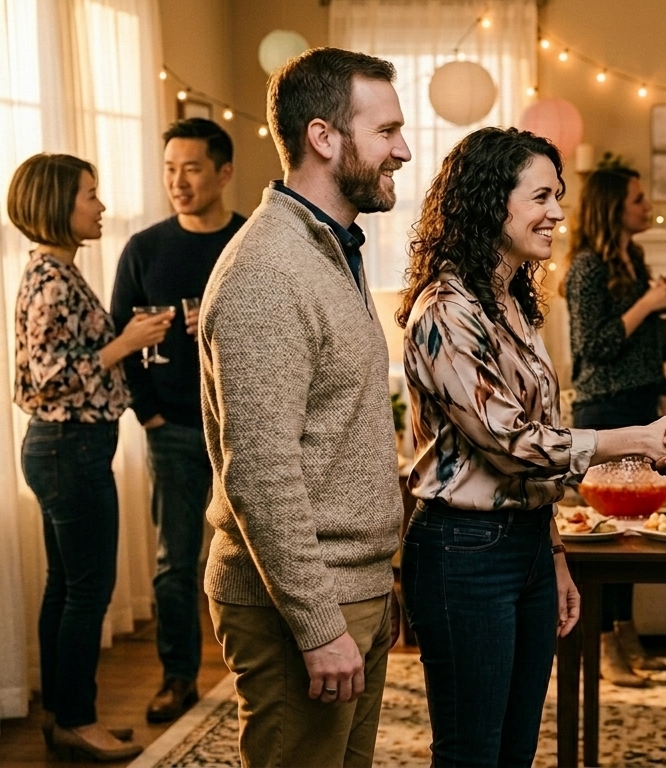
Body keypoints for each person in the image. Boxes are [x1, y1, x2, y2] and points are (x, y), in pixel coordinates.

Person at [397, 126, 666, 767]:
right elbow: (510, 443)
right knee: (471, 753)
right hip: (464, 553)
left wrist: (555, 552)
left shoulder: (512, 302)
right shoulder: (446, 310)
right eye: (541, 196)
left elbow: (537, 452)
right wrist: (636, 439)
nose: (558, 212)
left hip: (528, 546)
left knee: (515, 750)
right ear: (491, 202)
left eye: (559, 196)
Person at [199, 48, 410, 767]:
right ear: (324, 137)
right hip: (301, 603)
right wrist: (319, 625)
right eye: (387, 132)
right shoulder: (268, 270)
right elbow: (259, 471)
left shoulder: (328, 251)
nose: (403, 150)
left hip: (352, 586)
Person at [10, 153, 173, 762]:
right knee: (87, 590)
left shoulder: (54, 271)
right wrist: (125, 344)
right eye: (89, 194)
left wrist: (126, 339)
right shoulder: (51, 278)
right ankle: (78, 720)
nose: (101, 205)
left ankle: (62, 715)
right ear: (58, 205)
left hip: (65, 451)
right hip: (68, 451)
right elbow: (47, 377)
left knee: (65, 587)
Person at [109, 117, 246, 723]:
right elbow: (119, 335)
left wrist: (223, 327)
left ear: (223, 173)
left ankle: (258, 675)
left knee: (257, 557)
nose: (178, 181)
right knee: (174, 563)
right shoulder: (143, 249)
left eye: (191, 168)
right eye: (170, 168)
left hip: (246, 434)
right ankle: (178, 678)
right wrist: (151, 412)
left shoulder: (251, 242)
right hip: (175, 432)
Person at [563, 167, 666, 687]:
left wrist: (663, 394)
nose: (646, 203)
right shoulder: (587, 267)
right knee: (610, 533)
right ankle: (604, 644)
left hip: (640, 405)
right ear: (613, 206)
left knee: (635, 531)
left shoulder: (631, 259)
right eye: (637, 197)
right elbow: (596, 346)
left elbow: (636, 345)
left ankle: (625, 632)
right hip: (604, 413)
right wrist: (648, 304)